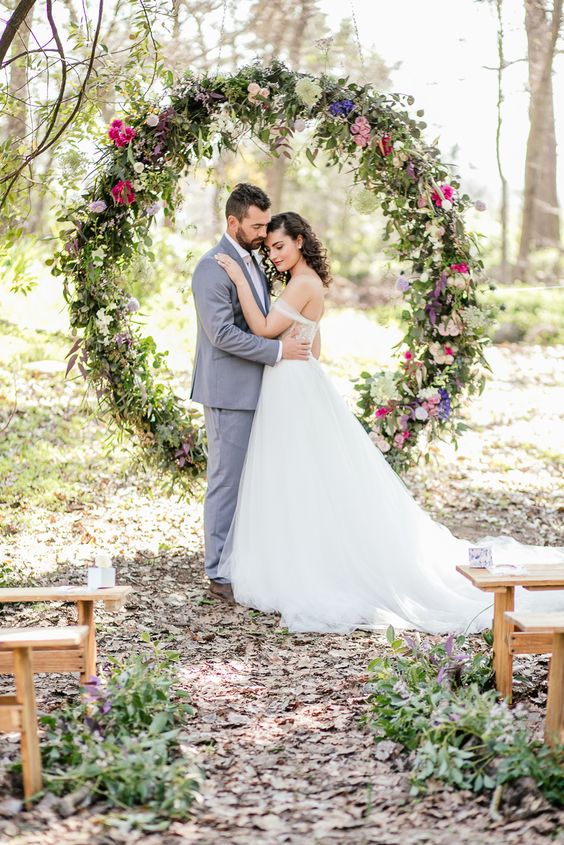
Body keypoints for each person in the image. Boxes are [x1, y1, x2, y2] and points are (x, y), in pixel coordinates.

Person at [213, 211, 564, 634]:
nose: (275, 254)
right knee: (298, 472)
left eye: (280, 246)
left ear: (300, 241)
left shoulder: (303, 282)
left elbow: (263, 326)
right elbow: (314, 344)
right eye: (270, 248)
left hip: (292, 382)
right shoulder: (304, 283)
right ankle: (298, 552)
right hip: (294, 379)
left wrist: (236, 277)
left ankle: (307, 562)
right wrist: (294, 340)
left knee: (300, 469)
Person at [190, 185, 311, 603]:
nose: (263, 233)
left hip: (259, 390)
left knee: (251, 482)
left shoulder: (253, 262)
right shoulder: (210, 268)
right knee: (226, 481)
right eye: (256, 225)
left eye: (266, 225)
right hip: (228, 390)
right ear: (233, 222)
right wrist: (278, 351)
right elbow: (221, 334)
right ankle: (219, 571)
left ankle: (243, 562)